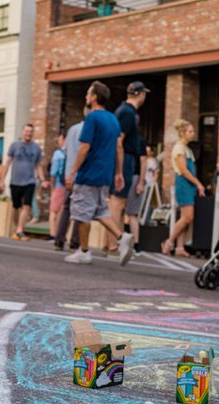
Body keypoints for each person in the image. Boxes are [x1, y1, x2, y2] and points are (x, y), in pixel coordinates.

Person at [63, 80, 134, 266]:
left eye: (88, 94)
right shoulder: (113, 119)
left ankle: (84, 251)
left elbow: (85, 146)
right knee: (100, 210)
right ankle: (122, 236)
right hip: (105, 175)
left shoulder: (92, 118)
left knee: (81, 212)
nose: (86, 97)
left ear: (94, 97)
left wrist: (72, 172)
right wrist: (118, 173)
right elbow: (119, 147)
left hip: (89, 173)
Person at [105, 81, 148, 257]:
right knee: (117, 203)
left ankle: (115, 244)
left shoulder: (126, 112)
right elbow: (118, 141)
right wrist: (119, 170)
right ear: (140, 94)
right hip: (125, 160)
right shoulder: (127, 113)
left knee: (119, 204)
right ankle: (113, 245)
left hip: (125, 160)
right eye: (144, 93)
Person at [161, 119, 205, 257]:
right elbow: (184, 170)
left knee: (186, 217)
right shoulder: (179, 148)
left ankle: (180, 248)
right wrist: (198, 183)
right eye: (190, 131)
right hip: (184, 184)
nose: (193, 134)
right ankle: (169, 242)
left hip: (189, 185)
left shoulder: (186, 149)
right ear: (183, 133)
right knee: (187, 217)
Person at [3, 124, 47, 240]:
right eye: (27, 131)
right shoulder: (14, 145)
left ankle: (20, 229)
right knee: (15, 206)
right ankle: (16, 227)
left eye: (31, 131)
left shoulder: (36, 147)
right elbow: (7, 163)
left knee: (27, 205)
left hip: (30, 181)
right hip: (15, 181)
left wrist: (42, 180)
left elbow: (38, 166)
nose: (29, 133)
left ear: (33, 133)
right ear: (22, 132)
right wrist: (2, 179)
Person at [54, 109, 87, 252]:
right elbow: (85, 151)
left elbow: (66, 152)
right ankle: (75, 242)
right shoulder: (87, 130)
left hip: (69, 175)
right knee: (79, 210)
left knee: (67, 208)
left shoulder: (72, 129)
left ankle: (59, 240)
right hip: (80, 175)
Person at [48, 134, 66, 242]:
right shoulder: (71, 152)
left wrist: (52, 187)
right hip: (68, 186)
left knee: (53, 211)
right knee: (63, 211)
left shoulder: (58, 154)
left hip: (59, 185)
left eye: (59, 139)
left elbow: (53, 172)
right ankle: (62, 235)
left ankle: (53, 234)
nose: (58, 142)